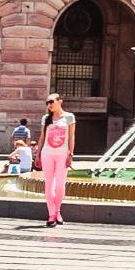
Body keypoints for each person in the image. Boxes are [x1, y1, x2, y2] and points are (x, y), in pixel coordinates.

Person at [39, 92, 75, 227]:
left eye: (51, 102)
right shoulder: (45, 118)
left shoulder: (69, 117)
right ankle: (51, 214)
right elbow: (42, 138)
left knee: (60, 185)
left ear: (60, 101)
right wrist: (37, 155)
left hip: (62, 154)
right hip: (47, 154)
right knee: (49, 185)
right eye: (47, 103)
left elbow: (71, 137)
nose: (49, 105)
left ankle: (58, 210)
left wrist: (70, 154)